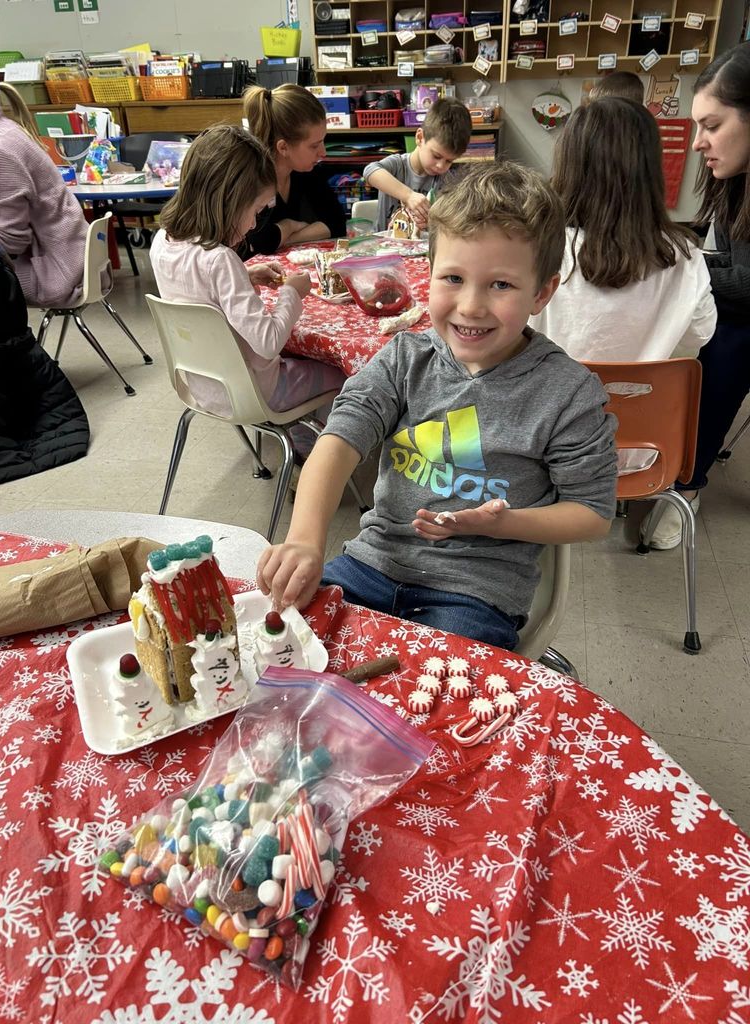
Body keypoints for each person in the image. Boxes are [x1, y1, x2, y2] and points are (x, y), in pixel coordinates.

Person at [256, 162, 618, 649]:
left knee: (434, 706)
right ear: (427, 273)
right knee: (285, 657)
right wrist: (304, 540)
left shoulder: (567, 392)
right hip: (371, 564)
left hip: (474, 592)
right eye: (453, 278)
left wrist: (502, 522)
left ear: (542, 292)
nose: (470, 305)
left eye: (501, 285)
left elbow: (592, 514)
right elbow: (339, 441)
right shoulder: (406, 357)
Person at [150, 124, 345, 422]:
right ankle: (309, 447)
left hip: (203, 387)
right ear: (228, 201)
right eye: (255, 211)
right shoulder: (220, 260)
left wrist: (246, 274)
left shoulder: (162, 241)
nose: (255, 224)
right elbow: (269, 342)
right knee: (343, 373)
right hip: (254, 392)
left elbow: (196, 291)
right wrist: (292, 293)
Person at [644, 41, 750, 549]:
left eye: (712, 126)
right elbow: (731, 266)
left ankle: (688, 482)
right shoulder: (734, 184)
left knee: (726, 342)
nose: (696, 144)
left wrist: (681, 271)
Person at [530, 97, 716, 365]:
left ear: (568, 166)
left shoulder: (539, 247)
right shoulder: (684, 256)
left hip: (552, 403)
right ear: (650, 170)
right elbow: (699, 335)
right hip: (646, 404)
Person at [0, 63, 88, 308]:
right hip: (67, 256)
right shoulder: (0, 135)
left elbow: (12, 241)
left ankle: (6, 347)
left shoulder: (1, 151)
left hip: (55, 271)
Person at [239, 84, 346, 257]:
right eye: (314, 145)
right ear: (283, 147)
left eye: (323, 141)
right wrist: (290, 225)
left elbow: (336, 224)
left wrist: (284, 237)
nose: (323, 152)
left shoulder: (307, 172)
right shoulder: (253, 182)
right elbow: (259, 241)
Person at [363, 97, 473, 233]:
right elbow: (370, 171)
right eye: (436, 156)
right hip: (385, 249)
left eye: (449, 161)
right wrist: (408, 195)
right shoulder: (398, 165)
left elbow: (449, 223)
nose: (441, 166)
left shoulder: (447, 179)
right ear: (420, 138)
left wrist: (431, 222)